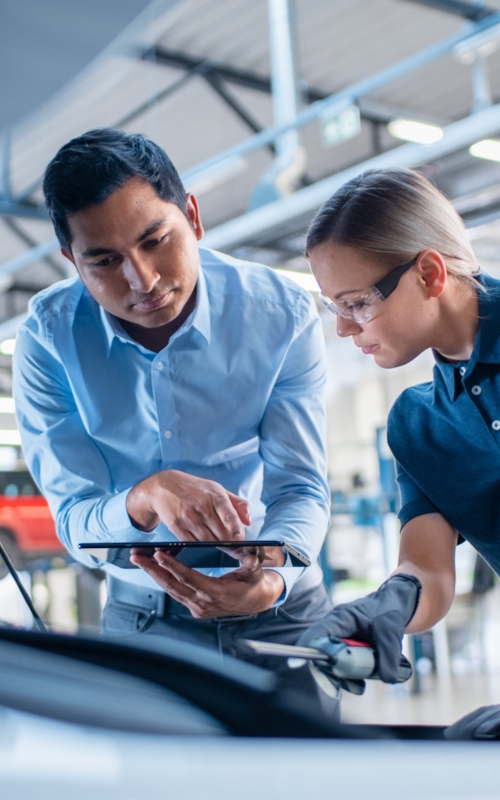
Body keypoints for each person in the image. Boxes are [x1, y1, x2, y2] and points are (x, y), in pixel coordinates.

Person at [14, 128, 333, 665]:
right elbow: (73, 517)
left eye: (155, 240)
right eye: (105, 262)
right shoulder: (49, 340)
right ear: (73, 261)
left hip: (282, 609)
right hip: (143, 617)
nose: (142, 280)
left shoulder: (281, 316)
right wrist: (144, 498)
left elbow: (300, 487)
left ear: (193, 216)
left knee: (307, 753)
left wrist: (273, 578)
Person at [301, 166, 500, 739]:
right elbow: (429, 570)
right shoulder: (419, 424)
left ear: (430, 272)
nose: (342, 329)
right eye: (333, 307)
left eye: (357, 302)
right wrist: (386, 608)